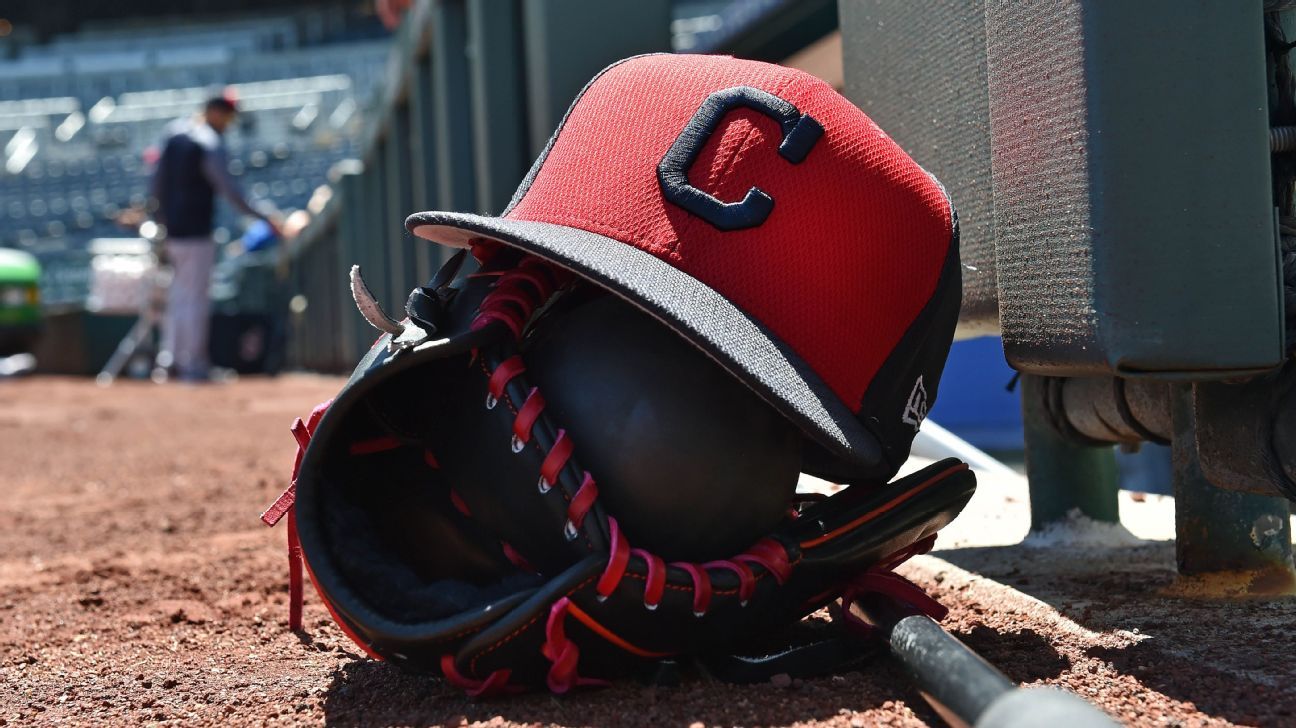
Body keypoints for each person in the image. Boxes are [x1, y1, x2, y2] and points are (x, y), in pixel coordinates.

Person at [148, 94, 281, 382]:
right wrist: (265, 217)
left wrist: (160, 220)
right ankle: (193, 364)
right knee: (194, 298)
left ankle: (169, 361)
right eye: (227, 116)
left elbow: (156, 183)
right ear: (214, 111)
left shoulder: (173, 132)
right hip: (195, 229)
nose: (229, 123)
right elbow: (229, 189)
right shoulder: (207, 140)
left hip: (173, 230)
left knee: (179, 295)